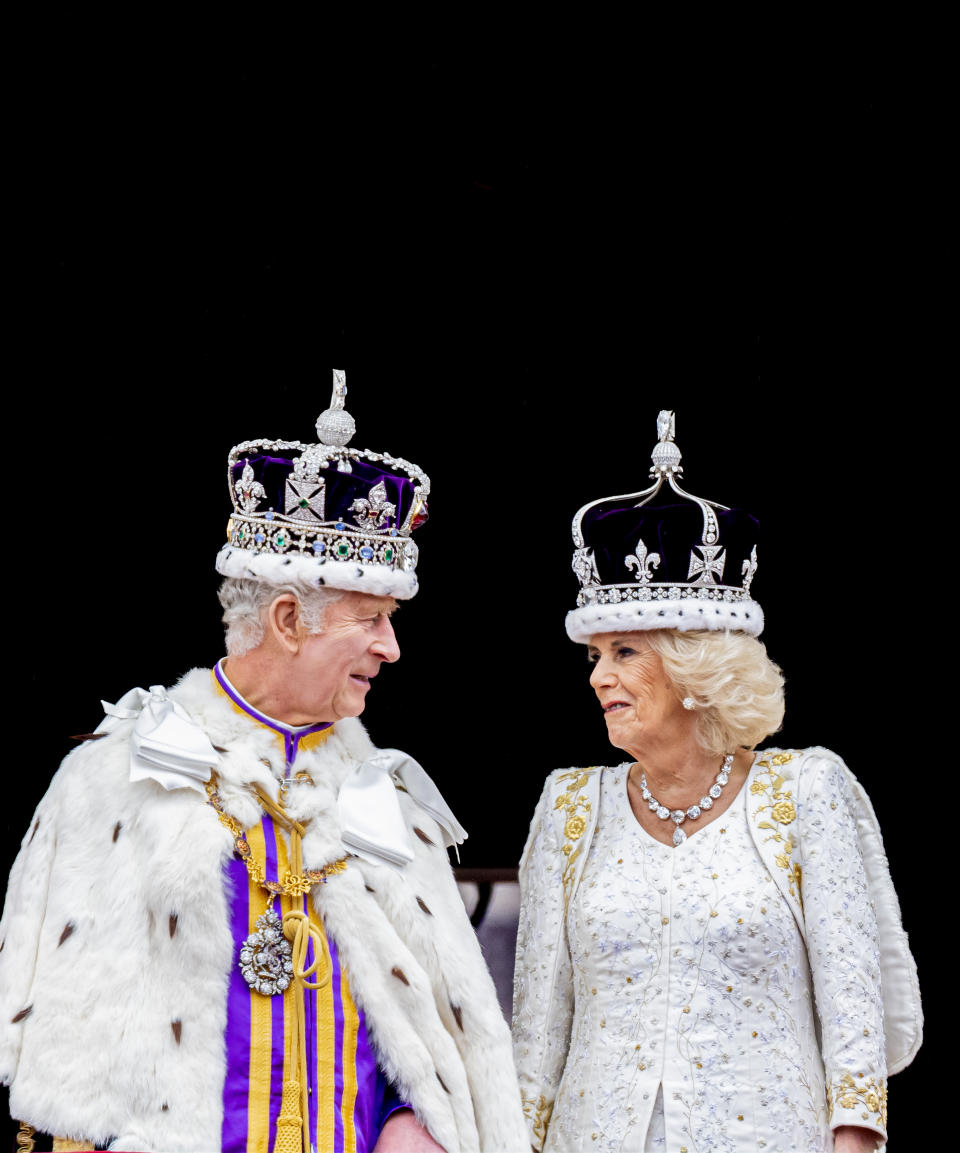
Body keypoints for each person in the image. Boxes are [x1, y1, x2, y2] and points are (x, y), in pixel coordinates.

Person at [0, 372, 527, 1152]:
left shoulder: (387, 801)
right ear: (287, 619)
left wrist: (416, 1124)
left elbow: (428, 1031)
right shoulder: (116, 777)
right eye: (372, 619)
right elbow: (63, 1048)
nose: (391, 647)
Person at [512, 411, 921, 1153]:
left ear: (696, 670)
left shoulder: (805, 792)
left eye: (625, 651)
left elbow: (855, 1011)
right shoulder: (569, 805)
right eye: (595, 656)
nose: (600, 677)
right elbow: (538, 1030)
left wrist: (854, 1143)